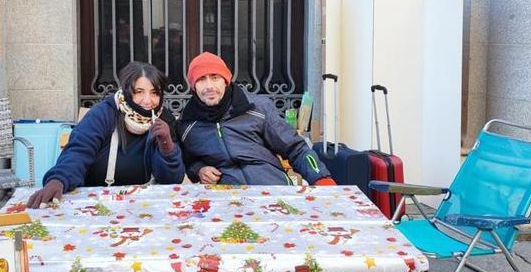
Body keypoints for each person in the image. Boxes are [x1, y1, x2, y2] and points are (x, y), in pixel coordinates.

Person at [27, 62, 184, 208]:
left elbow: (171, 180)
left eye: (154, 93)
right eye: (139, 92)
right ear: (128, 91)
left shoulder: (163, 119)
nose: (147, 101)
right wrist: (59, 179)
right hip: (95, 202)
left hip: (140, 205)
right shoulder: (104, 113)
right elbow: (79, 150)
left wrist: (166, 144)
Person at [176, 52, 336, 186]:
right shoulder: (188, 124)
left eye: (215, 77)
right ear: (193, 86)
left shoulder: (257, 107)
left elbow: (295, 148)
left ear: (226, 81)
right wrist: (199, 170)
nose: (209, 86)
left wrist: (321, 179)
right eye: (201, 79)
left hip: (273, 189)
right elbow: (188, 160)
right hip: (228, 200)